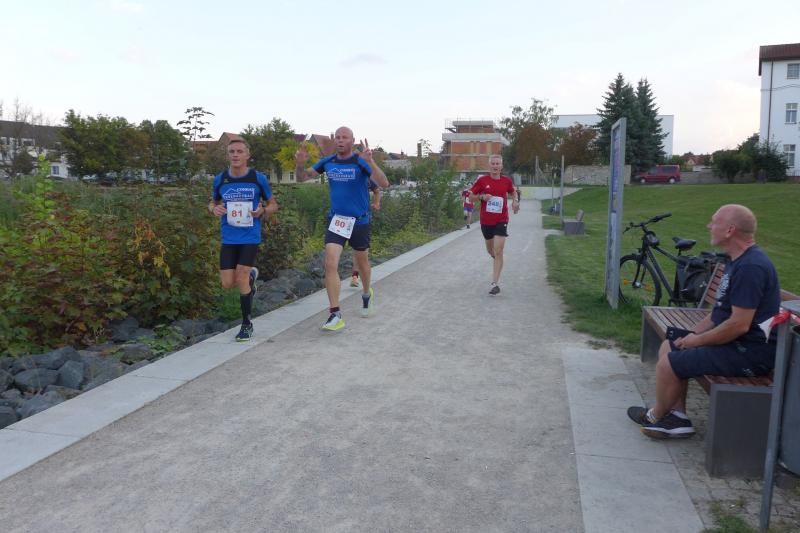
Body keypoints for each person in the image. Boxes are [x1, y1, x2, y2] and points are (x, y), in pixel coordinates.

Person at [628, 204, 780, 439]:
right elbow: (718, 314)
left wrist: (696, 341)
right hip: (736, 343)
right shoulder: (736, 260)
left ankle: (655, 415)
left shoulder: (751, 267)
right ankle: (678, 417)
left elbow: (738, 325)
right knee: (670, 345)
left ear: (730, 230)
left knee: (668, 364)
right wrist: (689, 336)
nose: (709, 226)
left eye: (714, 222)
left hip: (750, 353)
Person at [295, 127, 389, 331]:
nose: (340, 140)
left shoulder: (360, 161)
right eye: (337, 137)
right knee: (330, 263)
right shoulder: (328, 162)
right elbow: (302, 178)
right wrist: (299, 164)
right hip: (337, 221)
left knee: (362, 263)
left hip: (359, 222)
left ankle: (367, 293)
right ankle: (335, 313)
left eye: (344, 137)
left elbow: (384, 183)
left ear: (352, 141)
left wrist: (371, 161)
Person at [208, 139, 279, 341]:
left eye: (239, 151)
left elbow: (273, 205)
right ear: (228, 155)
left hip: (250, 236)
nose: (235, 155)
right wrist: (214, 209)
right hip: (229, 237)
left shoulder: (257, 178)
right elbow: (212, 203)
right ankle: (251, 278)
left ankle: (247, 324)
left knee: (241, 276)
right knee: (227, 283)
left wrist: (263, 210)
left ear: (247, 155)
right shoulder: (221, 179)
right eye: (232, 151)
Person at [469, 154, 520, 295]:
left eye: (498, 164)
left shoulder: (506, 181)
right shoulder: (482, 181)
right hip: (486, 221)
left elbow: (513, 192)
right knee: (491, 251)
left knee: (498, 250)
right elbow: (470, 197)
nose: (495, 166)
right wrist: (481, 196)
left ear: (501, 166)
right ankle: (497, 259)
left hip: (501, 220)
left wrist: (515, 201)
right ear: (489, 166)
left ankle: (494, 284)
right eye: (493, 163)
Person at [350, 180, 381, 287]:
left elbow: (377, 190)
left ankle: (355, 277)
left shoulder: (366, 178)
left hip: (363, 218)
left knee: (359, 250)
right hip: (347, 219)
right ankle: (357, 278)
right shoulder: (345, 177)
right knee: (360, 251)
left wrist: (376, 203)